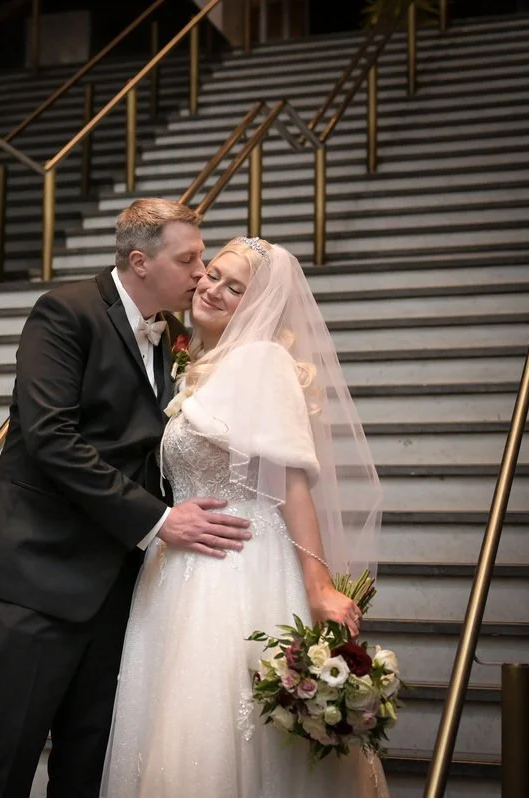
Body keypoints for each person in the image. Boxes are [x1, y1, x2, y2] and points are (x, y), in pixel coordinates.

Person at [0, 199, 254, 797]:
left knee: (88, 760)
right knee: (4, 761)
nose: (200, 273)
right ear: (140, 262)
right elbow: (51, 438)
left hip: (118, 578)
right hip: (37, 570)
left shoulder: (173, 335)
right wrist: (158, 520)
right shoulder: (66, 312)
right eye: (188, 259)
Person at [100, 236, 389, 797]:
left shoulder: (262, 360)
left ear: (258, 306)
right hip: (179, 571)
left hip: (237, 568)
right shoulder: (197, 363)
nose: (212, 289)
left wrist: (319, 585)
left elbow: (293, 483)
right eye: (212, 274)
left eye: (235, 289)